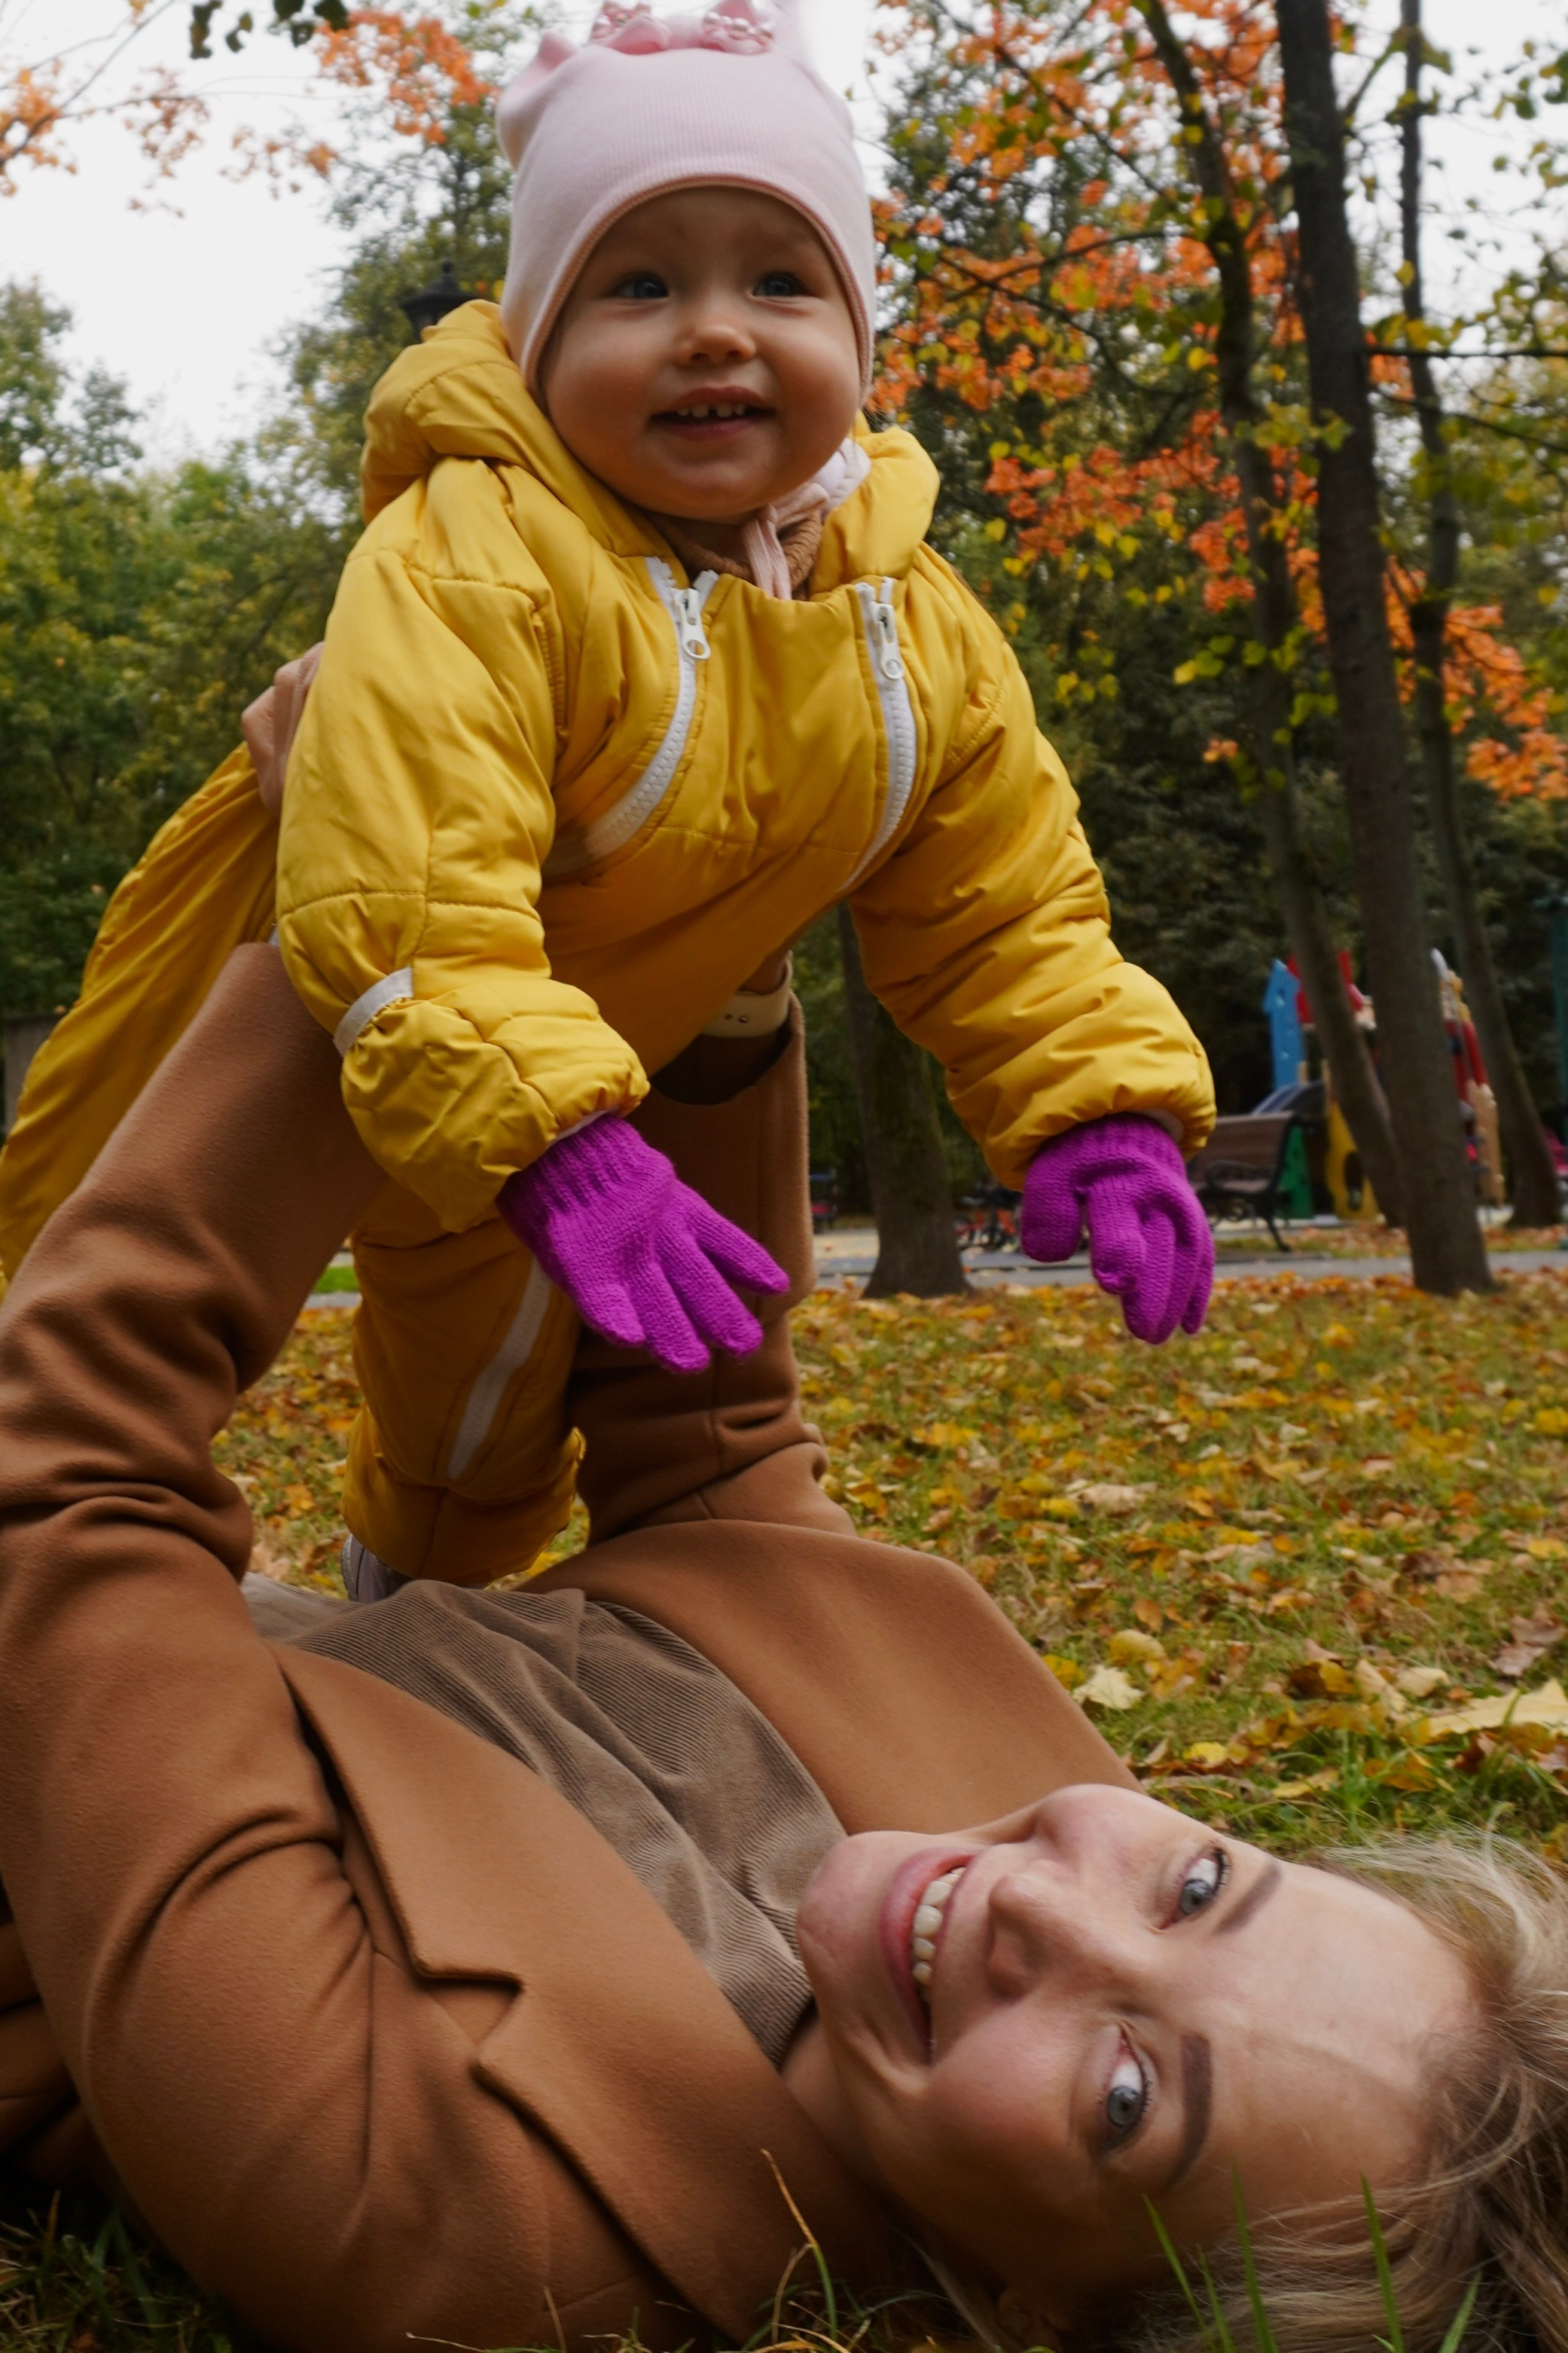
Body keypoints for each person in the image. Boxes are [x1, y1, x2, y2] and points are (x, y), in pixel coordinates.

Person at [0, 947, 1563, 2353]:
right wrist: (711, 958)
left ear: (1055, 2320)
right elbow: (709, 1452)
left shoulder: (477, 2234)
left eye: (1128, 2092)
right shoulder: (1032, 1819)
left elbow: (71, 1481)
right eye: (1206, 1882)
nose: (1045, 1903)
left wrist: (363, 946)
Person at [0, 0, 1216, 1607]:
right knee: (80, 1306)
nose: (714, 330)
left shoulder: (910, 623)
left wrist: (1102, 1105)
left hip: (551, 1085)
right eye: (638, 284)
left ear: (860, 337)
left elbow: (1006, 907)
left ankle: (411, 1634)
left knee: (489, 1408)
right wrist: (557, 1131)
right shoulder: (473, 546)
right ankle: (60, 1612)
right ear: (538, 335)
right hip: (302, 1026)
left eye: (778, 280)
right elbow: (414, 878)